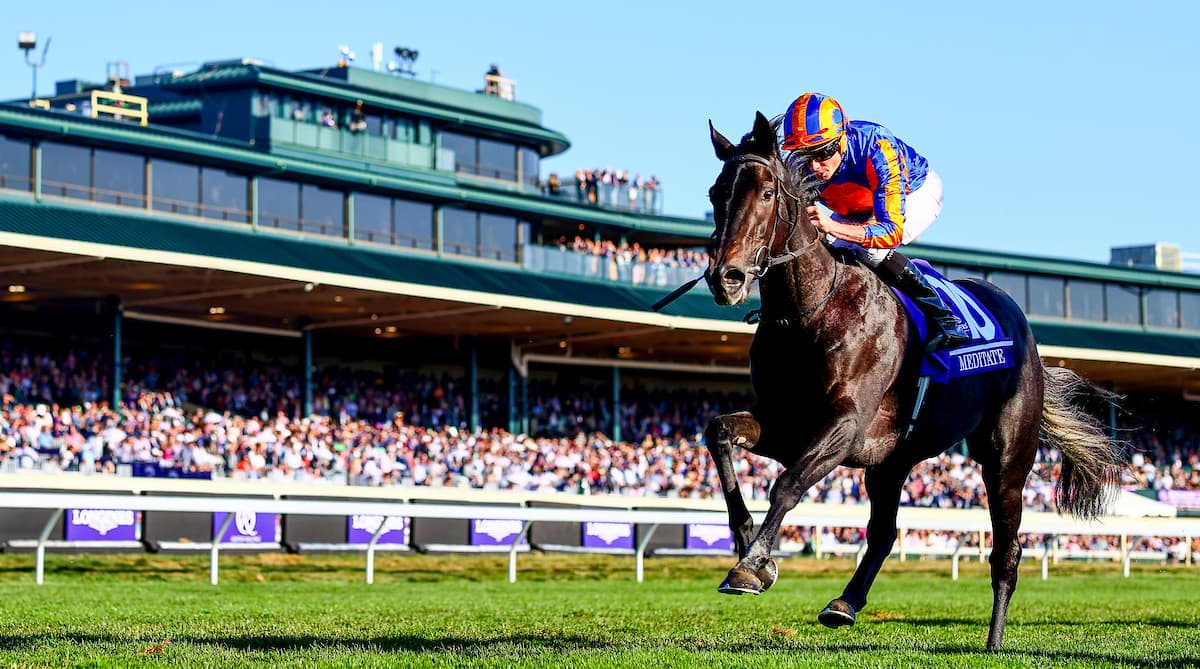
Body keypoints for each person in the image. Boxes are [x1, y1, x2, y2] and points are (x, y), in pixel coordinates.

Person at [778, 92, 970, 352]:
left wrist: (832, 226)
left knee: (871, 249)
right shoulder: (803, 165)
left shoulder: (878, 148)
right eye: (803, 154)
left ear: (841, 139)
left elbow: (890, 231)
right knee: (823, 248)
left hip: (915, 193)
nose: (814, 166)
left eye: (822, 152)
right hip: (857, 205)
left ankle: (945, 319)